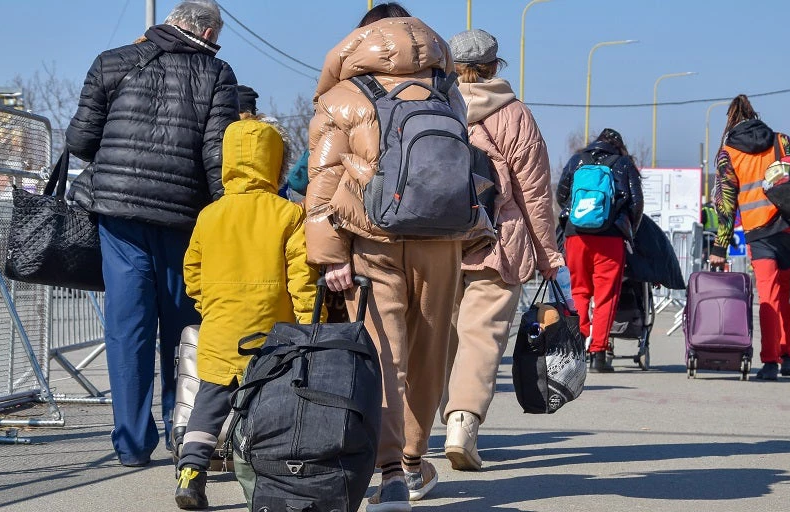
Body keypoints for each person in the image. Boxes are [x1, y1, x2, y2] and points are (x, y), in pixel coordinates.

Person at [304, 4, 493, 510]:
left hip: (373, 241)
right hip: (443, 240)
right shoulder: (446, 89)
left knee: (384, 355)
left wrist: (330, 258)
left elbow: (322, 185)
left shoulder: (342, 97)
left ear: (361, 38)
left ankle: (388, 474)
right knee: (431, 354)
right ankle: (413, 461)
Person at [65, 0, 238, 467]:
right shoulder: (217, 73)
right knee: (184, 328)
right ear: (205, 32)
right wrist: (227, 215)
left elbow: (80, 141)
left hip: (119, 214)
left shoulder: (112, 61)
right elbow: (216, 152)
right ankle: (184, 432)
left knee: (128, 329)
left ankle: (132, 445)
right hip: (184, 218)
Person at [172, 119, 317, 509]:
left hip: (220, 327)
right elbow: (301, 278)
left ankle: (191, 470)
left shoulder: (210, 215)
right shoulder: (287, 214)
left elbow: (193, 272)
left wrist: (209, 306)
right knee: (271, 405)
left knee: (209, 402)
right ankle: (266, 479)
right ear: (275, 163)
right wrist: (307, 326)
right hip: (272, 334)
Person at [440, 29, 564, 472]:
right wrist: (548, 254)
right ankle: (462, 424)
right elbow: (534, 194)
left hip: (436, 241)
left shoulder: (433, 106)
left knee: (439, 340)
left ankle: (420, 436)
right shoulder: (515, 116)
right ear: (495, 67)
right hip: (497, 239)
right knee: (483, 337)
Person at [708, 95, 790, 381]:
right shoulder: (782, 141)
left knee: (769, 296)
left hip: (758, 231)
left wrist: (720, 247)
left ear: (731, 121)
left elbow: (726, 203)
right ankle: (788, 356)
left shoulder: (729, 152)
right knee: (789, 295)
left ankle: (770, 361)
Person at [556, 129, 644, 373]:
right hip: (610, 238)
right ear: (619, 145)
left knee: (579, 291)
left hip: (577, 235)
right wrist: (629, 230)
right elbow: (636, 202)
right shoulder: (623, 163)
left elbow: (561, 194)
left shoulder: (577, 160)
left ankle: (576, 349)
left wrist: (577, 216)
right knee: (606, 297)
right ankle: (598, 354)